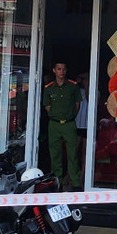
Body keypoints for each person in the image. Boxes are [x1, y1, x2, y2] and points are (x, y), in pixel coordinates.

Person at [43, 62, 82, 190]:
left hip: (69, 124)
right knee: (55, 155)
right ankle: (57, 183)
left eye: (64, 69)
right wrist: (56, 115)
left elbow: (77, 105)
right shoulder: (49, 88)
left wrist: (70, 116)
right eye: (59, 69)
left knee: (72, 155)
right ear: (54, 70)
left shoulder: (73, 86)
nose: (61, 71)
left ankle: (75, 183)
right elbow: (47, 106)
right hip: (54, 124)